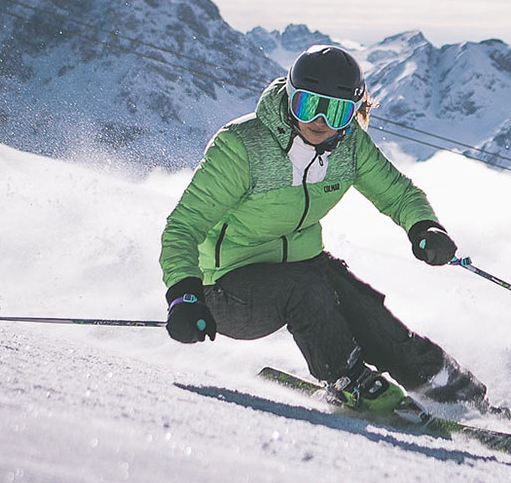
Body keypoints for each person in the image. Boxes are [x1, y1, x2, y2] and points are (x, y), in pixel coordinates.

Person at [158, 45, 489, 416]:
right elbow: (183, 227)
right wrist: (184, 296)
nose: (319, 121)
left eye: (335, 111)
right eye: (307, 105)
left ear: (352, 113)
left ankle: (452, 390)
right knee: (307, 290)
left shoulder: (349, 148)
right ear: (288, 98)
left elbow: (398, 194)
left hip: (302, 267)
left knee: (367, 313)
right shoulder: (242, 147)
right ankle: (345, 379)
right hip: (221, 291)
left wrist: (425, 227)